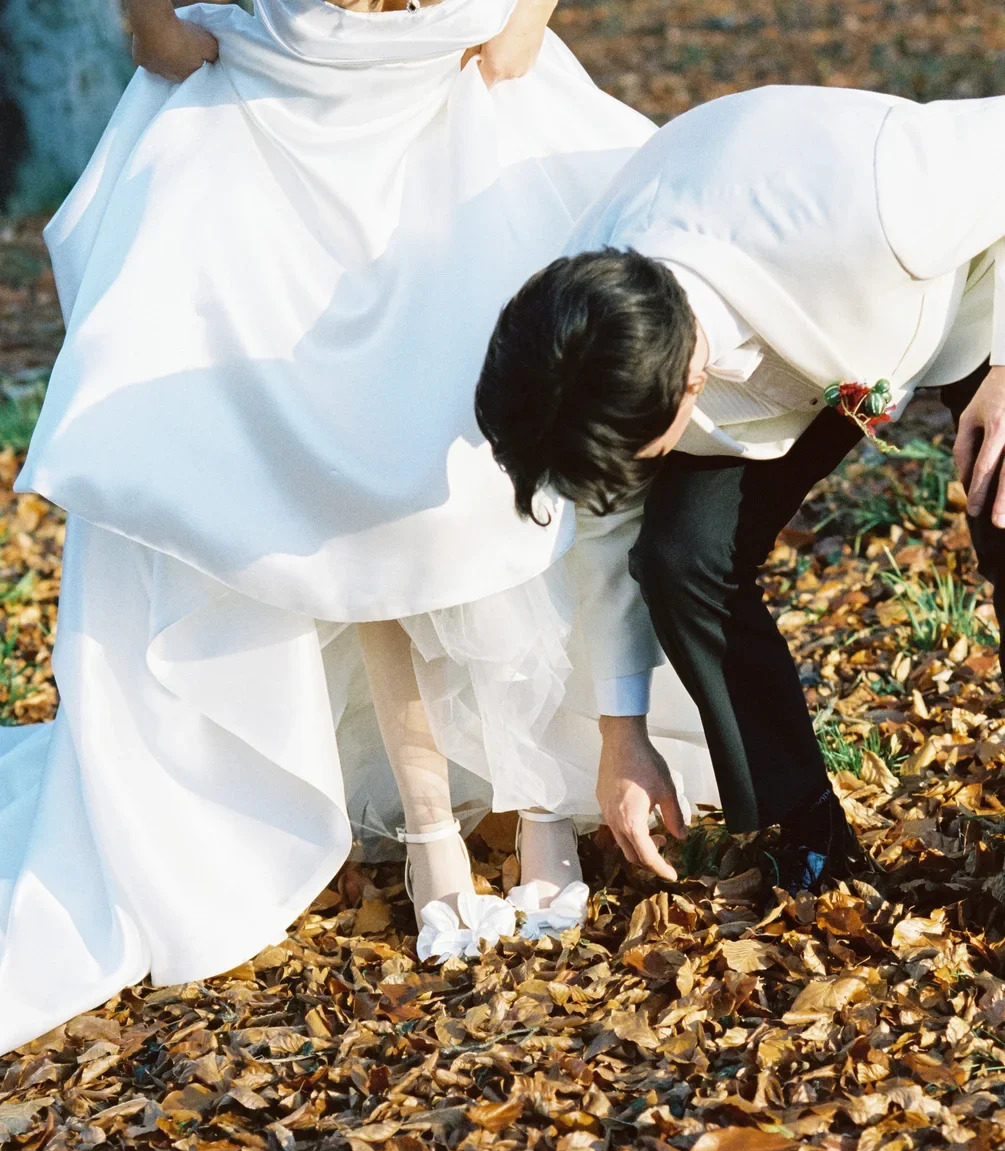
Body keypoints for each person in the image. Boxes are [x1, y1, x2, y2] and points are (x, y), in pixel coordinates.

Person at [0, 0, 717, 1051]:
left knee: (506, 444)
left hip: (460, 87)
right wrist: (148, 15)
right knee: (344, 483)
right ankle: (430, 830)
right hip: (272, 99)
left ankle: (541, 805)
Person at [476, 83, 1005, 891]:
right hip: (804, 380)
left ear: (689, 382)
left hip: (951, 298)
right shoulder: (577, 343)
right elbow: (605, 523)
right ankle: (809, 829)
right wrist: (622, 732)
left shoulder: (881, 190)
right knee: (681, 557)